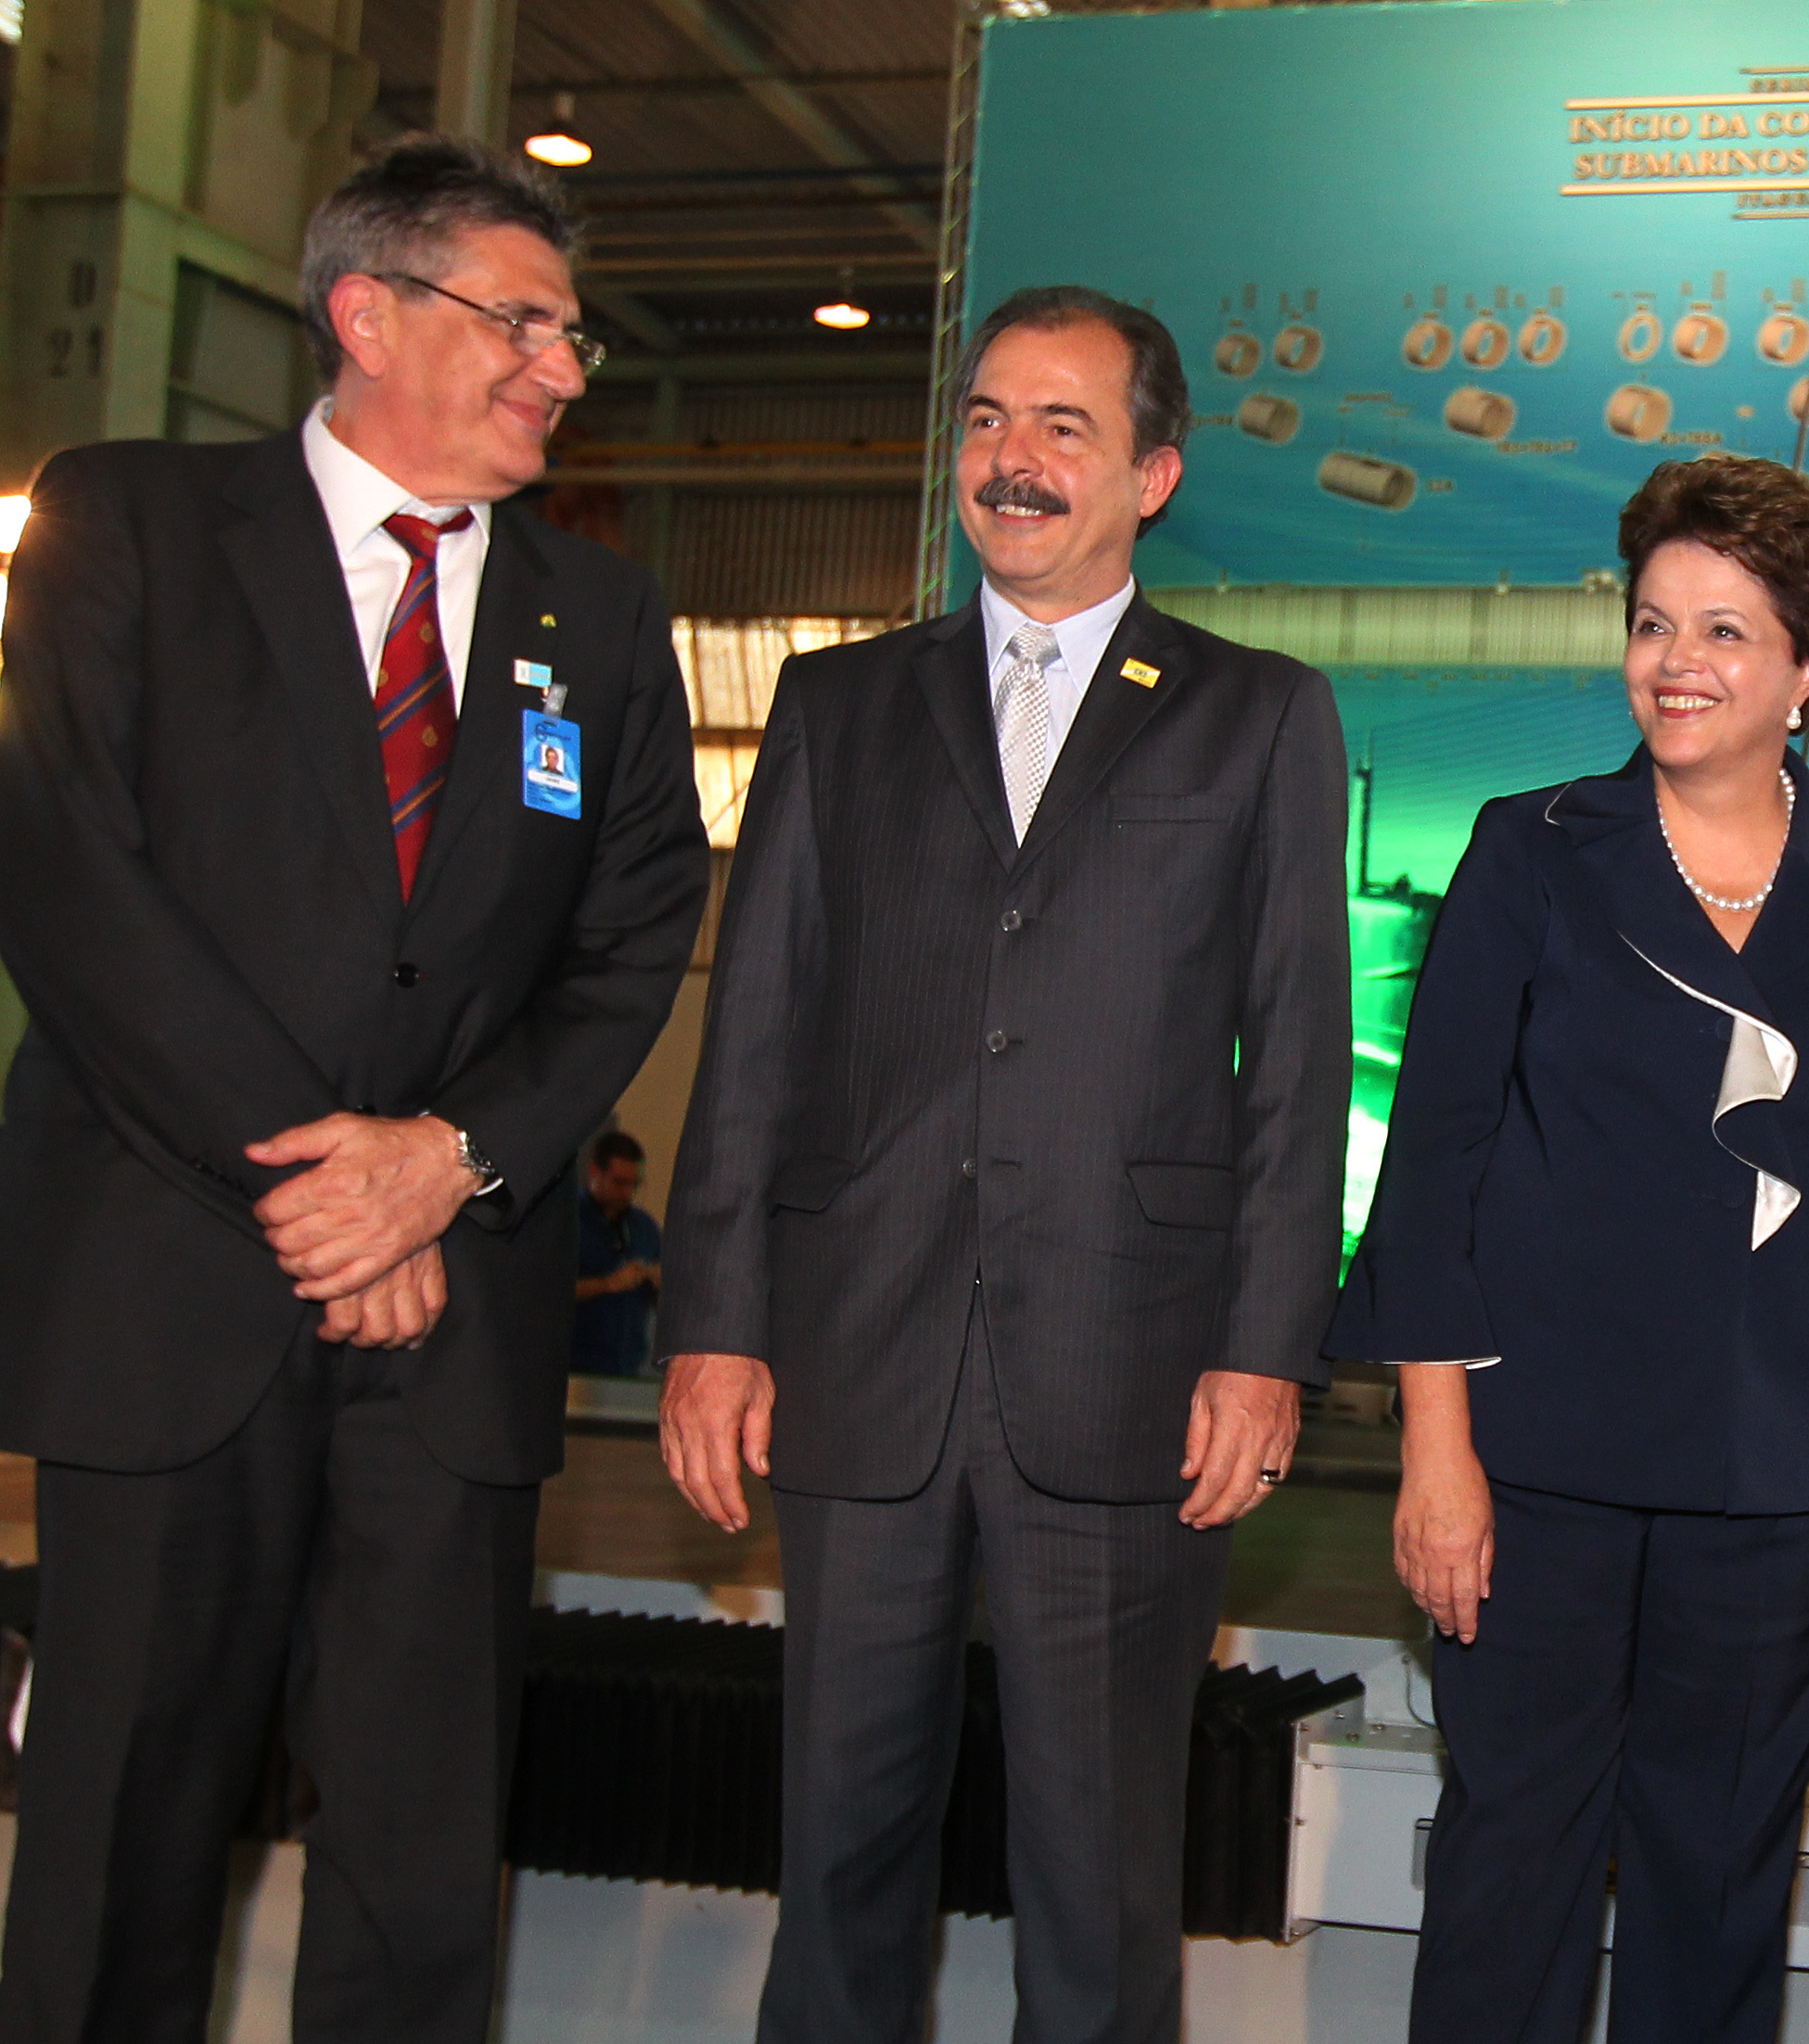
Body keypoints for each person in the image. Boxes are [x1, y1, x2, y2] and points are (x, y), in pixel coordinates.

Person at [0, 135, 707, 2042]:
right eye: (524, 322)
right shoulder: (128, 527)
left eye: (574, 337)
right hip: (170, 1300)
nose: (563, 369)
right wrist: (325, 1190)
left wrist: (445, 1165)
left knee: (414, 1873)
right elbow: (73, 883)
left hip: (452, 1325)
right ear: (366, 311)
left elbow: (635, 937)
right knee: (116, 1841)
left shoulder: (604, 624)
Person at [652, 285, 1350, 2044]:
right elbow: (755, 1042)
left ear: (1154, 474)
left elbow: (1297, 1069)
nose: (1011, 460)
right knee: (838, 1858)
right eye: (984, 420)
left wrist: (1266, 1348)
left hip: (1125, 1372)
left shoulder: (1256, 718)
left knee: (1101, 1888)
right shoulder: (834, 705)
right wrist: (714, 1320)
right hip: (857, 1358)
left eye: (1062, 428)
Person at [1330, 455, 1809, 2044]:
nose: (1674, 663)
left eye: (1724, 633)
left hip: (1780, 1480)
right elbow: (1432, 1173)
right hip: (1534, 1465)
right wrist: (1436, 1448)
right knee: (1513, 1875)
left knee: (1715, 1889)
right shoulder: (1531, 850)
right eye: (1651, 624)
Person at [572, 1130, 663, 1377]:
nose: (627, 1193)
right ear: (594, 1172)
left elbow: (657, 1303)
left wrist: (661, 1285)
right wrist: (607, 1284)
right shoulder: (568, 1223)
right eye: (619, 1182)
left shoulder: (644, 1228)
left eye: (634, 1184)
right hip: (573, 1367)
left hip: (628, 1367)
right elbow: (545, 1294)